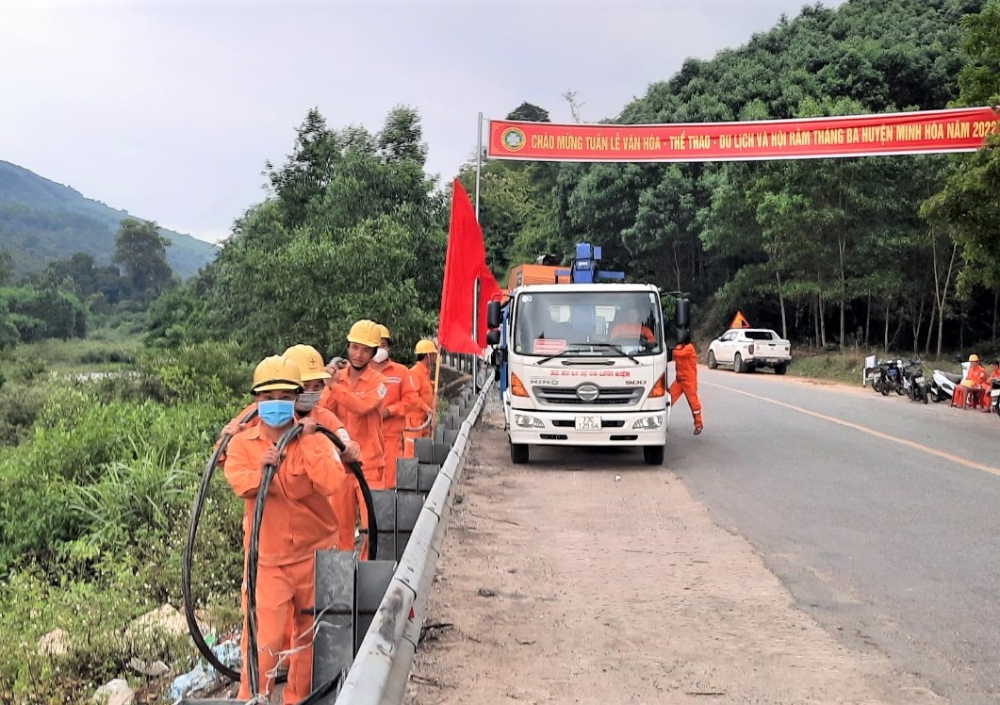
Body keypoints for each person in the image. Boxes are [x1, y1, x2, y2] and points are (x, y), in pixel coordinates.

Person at [224, 355, 347, 704]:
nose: (275, 404)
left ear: (296, 398)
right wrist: (263, 472)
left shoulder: (315, 438)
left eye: (283, 396)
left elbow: (332, 480)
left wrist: (306, 443)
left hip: (313, 557)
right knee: (265, 643)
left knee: (308, 641)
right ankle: (253, 700)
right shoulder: (244, 444)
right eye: (267, 397)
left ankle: (297, 700)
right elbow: (238, 481)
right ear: (256, 401)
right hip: (269, 561)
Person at [319, 319, 388, 557]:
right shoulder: (338, 379)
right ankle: (345, 577)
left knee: (373, 527)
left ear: (373, 353)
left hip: (369, 466)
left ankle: (369, 573)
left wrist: (335, 386)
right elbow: (323, 411)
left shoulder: (378, 383)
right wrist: (329, 382)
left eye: (365, 349)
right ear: (348, 347)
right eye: (354, 347)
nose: (358, 354)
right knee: (340, 529)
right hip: (341, 467)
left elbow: (360, 406)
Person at [371, 324, 421, 488]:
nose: (379, 349)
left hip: (390, 440)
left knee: (388, 485)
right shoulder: (361, 372)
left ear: (389, 348)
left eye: (383, 345)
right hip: (365, 441)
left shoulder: (400, 372)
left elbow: (411, 400)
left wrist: (390, 411)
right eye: (375, 345)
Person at [404, 339, 438, 459]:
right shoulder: (414, 373)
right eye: (433, 354)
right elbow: (413, 396)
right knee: (412, 453)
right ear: (427, 355)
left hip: (425, 421)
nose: (435, 357)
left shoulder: (426, 374)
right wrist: (427, 408)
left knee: (423, 452)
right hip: (414, 423)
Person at [670, 333, 703, 435]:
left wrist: (669, 351)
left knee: (693, 403)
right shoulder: (679, 348)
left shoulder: (689, 348)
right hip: (679, 380)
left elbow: (678, 354)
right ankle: (661, 422)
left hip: (689, 381)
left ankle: (698, 424)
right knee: (667, 399)